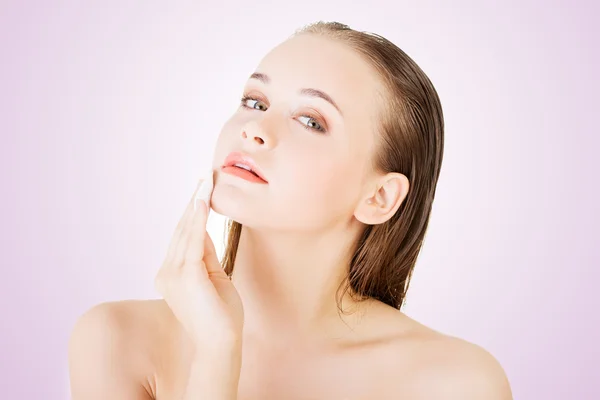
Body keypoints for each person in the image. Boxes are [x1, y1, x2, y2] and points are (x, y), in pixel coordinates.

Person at [68, 21, 513, 399]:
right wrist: (216, 353)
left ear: (379, 198)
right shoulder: (116, 340)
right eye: (255, 102)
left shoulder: (454, 382)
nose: (255, 129)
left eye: (311, 121)